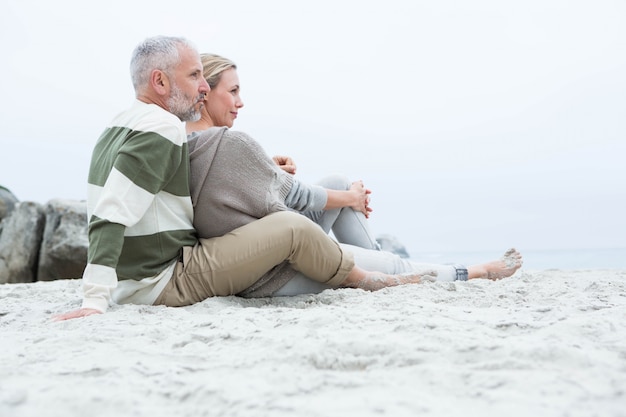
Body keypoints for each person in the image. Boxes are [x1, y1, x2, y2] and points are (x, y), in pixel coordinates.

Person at [54, 36, 464, 322]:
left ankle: (407, 272)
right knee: (291, 227)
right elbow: (111, 212)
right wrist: (95, 299)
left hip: (150, 273)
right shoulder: (161, 128)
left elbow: (185, 174)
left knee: (296, 223)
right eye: (195, 76)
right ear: (159, 81)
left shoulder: (120, 125)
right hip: (163, 280)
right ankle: (380, 280)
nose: (200, 88)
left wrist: (262, 167)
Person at [184, 53, 523, 297]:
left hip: (260, 254)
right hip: (277, 269)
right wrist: (352, 199)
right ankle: (479, 271)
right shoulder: (231, 142)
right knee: (389, 262)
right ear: (204, 92)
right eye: (233, 91)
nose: (240, 102)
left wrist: (268, 168)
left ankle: (374, 252)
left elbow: (233, 191)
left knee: (336, 181)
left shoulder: (188, 145)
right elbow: (296, 196)